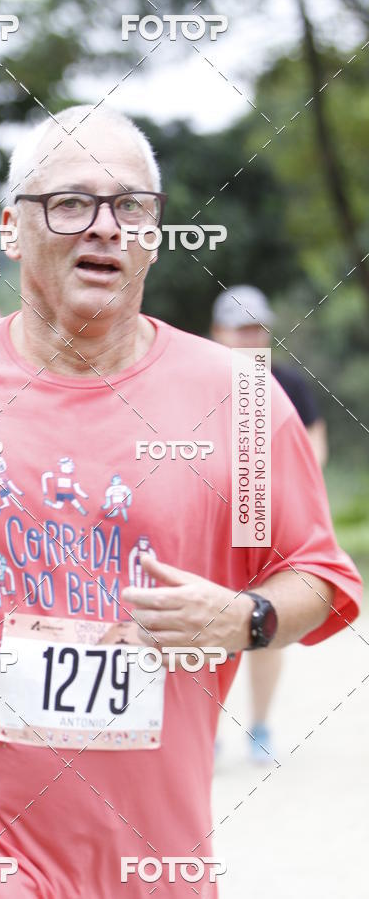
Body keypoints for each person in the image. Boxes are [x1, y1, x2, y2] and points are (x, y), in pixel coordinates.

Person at [0, 106, 362, 898]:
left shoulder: (239, 402)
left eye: (131, 207)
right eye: (71, 202)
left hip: (153, 856)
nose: (105, 227)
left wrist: (246, 619)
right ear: (13, 227)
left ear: (155, 235)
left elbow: (320, 576)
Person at [211, 285, 329, 762]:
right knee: (206, 623)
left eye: (258, 328)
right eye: (242, 328)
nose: (251, 338)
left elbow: (314, 449)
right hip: (212, 519)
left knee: (265, 621)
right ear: (218, 331)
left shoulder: (288, 385)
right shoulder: (199, 382)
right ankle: (206, 730)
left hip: (269, 520)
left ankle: (258, 725)